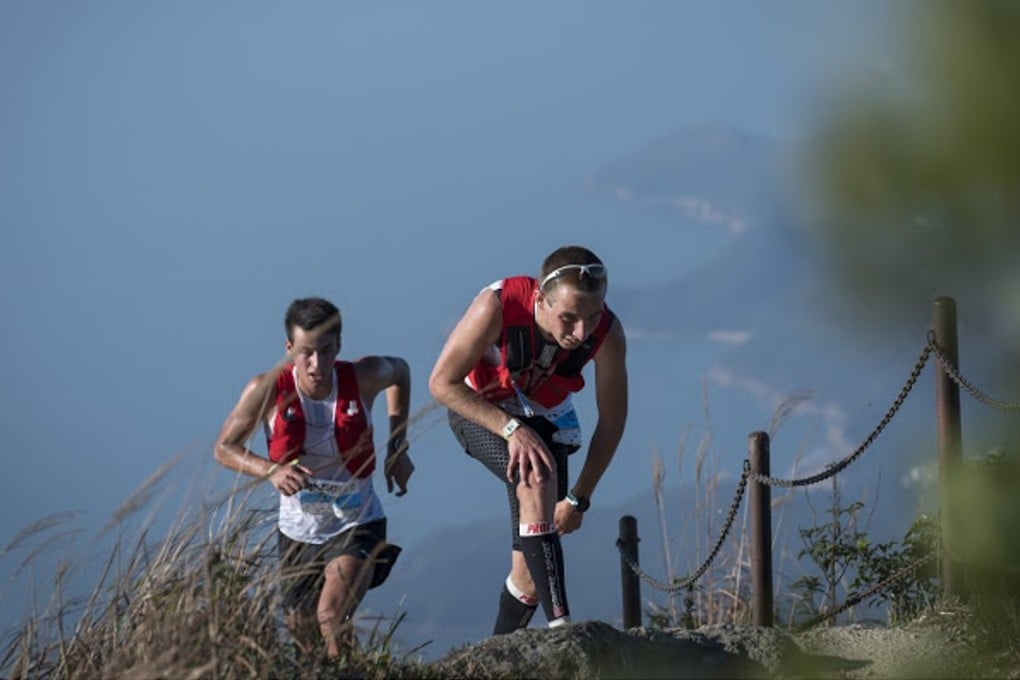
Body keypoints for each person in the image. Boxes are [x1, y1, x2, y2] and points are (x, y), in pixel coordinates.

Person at [429, 245, 628, 634]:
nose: (580, 332)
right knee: (537, 477)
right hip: (480, 406)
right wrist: (511, 429)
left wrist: (579, 498)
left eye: (592, 316)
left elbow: (613, 418)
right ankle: (563, 628)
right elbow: (441, 383)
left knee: (531, 575)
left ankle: (497, 654)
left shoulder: (609, 334)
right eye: (568, 318)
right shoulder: (499, 306)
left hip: (545, 415)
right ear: (540, 298)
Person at [214, 297, 414, 658]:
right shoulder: (266, 390)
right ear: (289, 348)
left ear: (338, 345)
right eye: (306, 352)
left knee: (331, 616)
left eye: (326, 351)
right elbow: (224, 448)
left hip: (357, 523)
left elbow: (400, 371)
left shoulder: (362, 377)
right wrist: (271, 470)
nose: (316, 364)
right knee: (306, 645)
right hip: (297, 532)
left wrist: (398, 448)